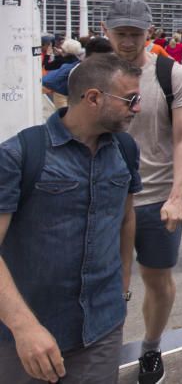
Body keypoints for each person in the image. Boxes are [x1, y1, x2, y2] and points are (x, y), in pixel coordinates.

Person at [0, 54, 143, 383]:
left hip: (101, 331)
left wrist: (120, 291)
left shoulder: (124, 149)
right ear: (93, 98)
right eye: (130, 99)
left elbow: (125, 219)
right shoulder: (21, 154)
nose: (136, 108)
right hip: (25, 336)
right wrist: (24, 326)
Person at [103, 0, 182, 384]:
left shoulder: (171, 75)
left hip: (156, 197)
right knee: (102, 285)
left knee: (157, 279)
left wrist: (178, 194)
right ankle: (100, 355)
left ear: (149, 33)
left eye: (135, 34)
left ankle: (151, 346)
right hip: (106, 199)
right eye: (120, 34)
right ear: (106, 31)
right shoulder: (94, 74)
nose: (127, 42)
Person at [41, 39, 84, 109]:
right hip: (70, 90)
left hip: (59, 90)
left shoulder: (61, 60)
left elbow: (46, 66)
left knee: (61, 113)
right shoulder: (76, 60)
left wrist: (48, 54)